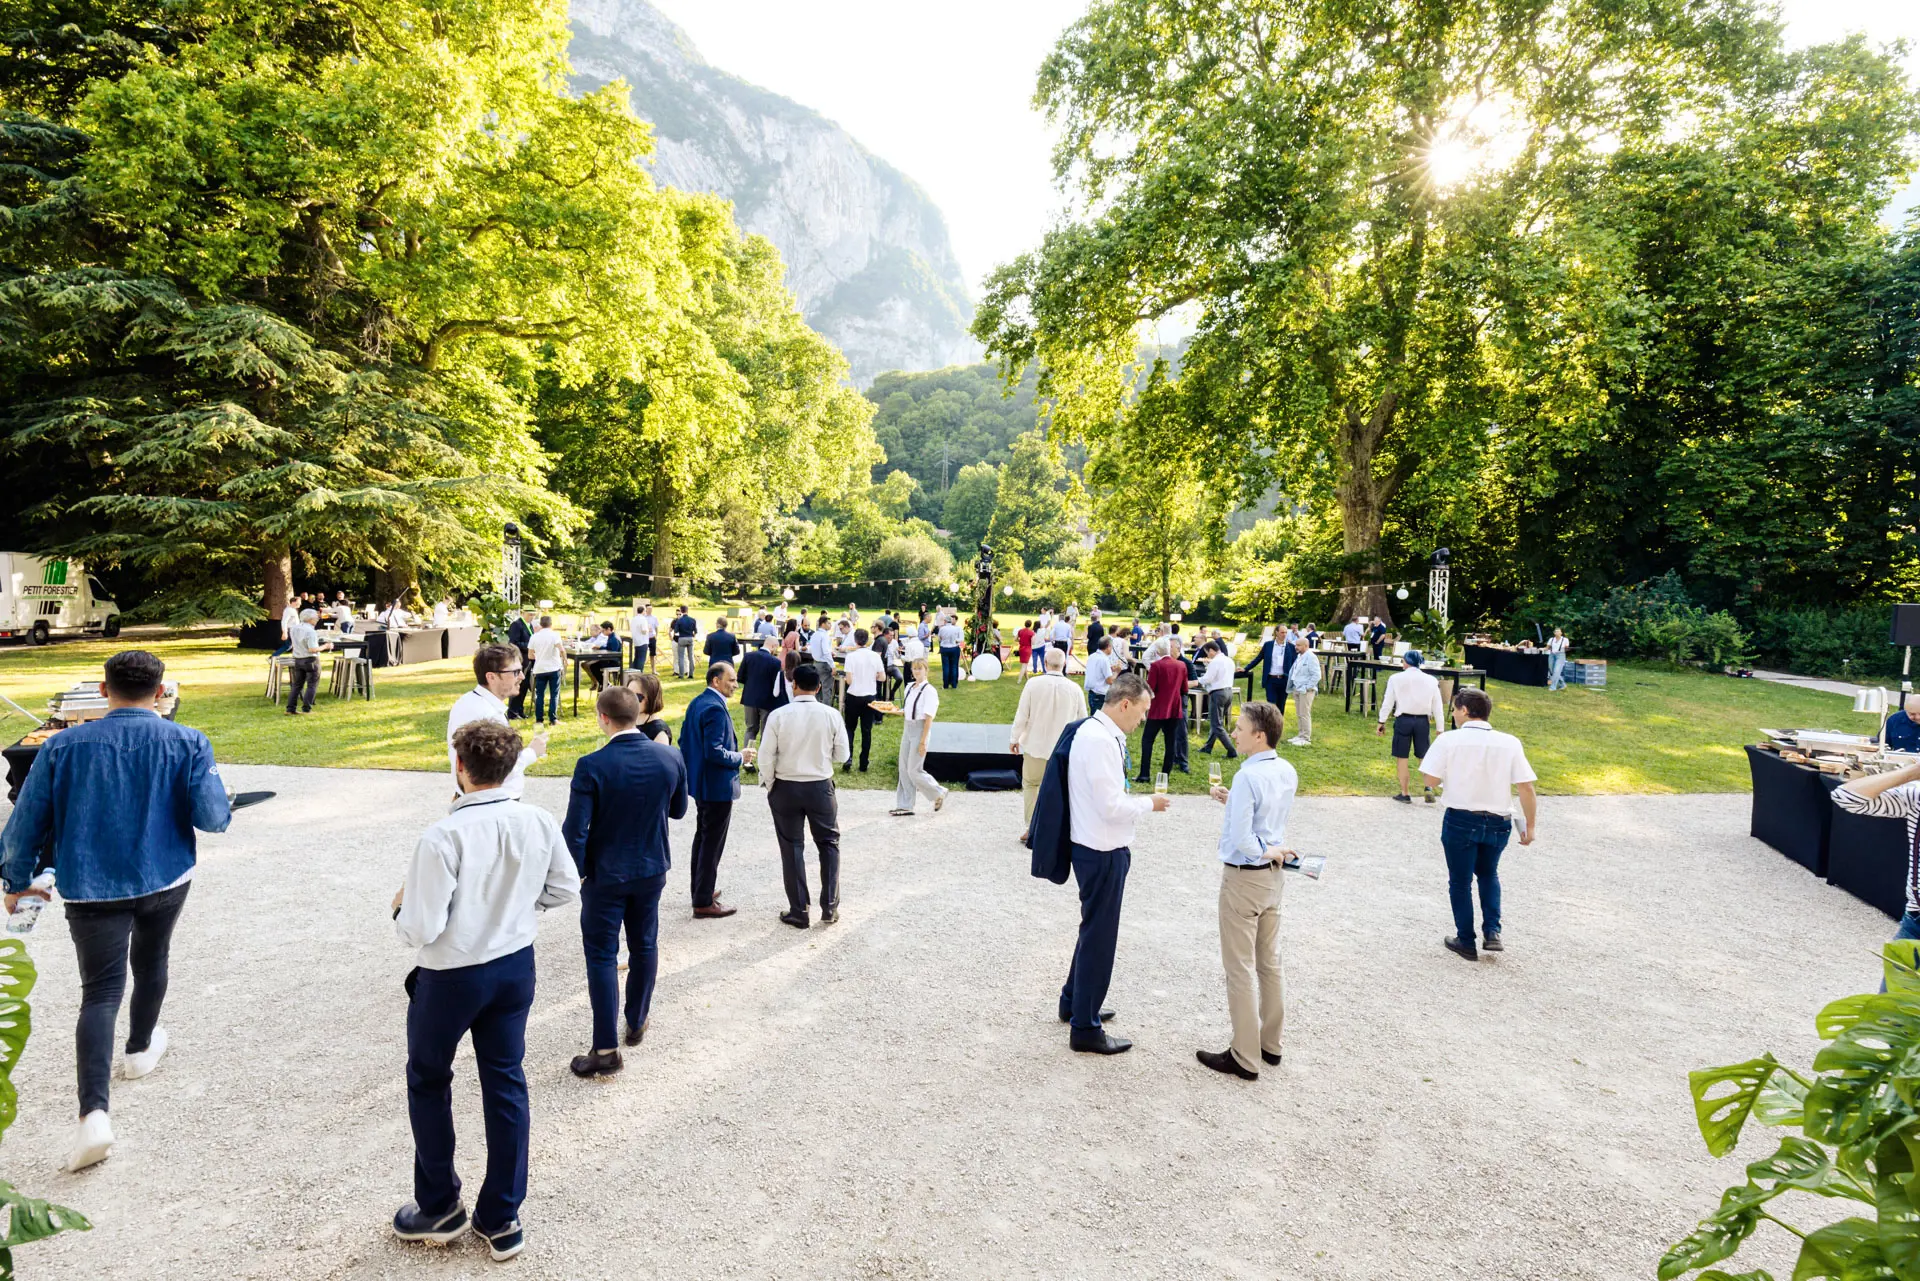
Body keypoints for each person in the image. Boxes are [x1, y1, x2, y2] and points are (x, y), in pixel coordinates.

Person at [0, 650, 229, 1172]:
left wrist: (16, 881)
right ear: (161, 692)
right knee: (152, 961)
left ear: (103, 691)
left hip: (90, 887)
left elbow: (24, 825)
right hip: (165, 876)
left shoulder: (60, 745)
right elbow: (213, 818)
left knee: (100, 993)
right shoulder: (189, 740)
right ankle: (140, 1050)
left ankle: (93, 1116)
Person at [391, 720, 580, 1261]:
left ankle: (439, 1204)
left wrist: (399, 909)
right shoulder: (537, 819)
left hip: (452, 973)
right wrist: (518, 907)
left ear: (460, 767)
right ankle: (502, 1213)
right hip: (514, 963)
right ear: (510, 767)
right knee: (505, 1079)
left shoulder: (442, 836)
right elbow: (565, 887)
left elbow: (421, 927)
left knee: (429, 1078)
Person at [1037, 672, 1170, 1054]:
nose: (1143, 719)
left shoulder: (1094, 732)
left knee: (1092, 929)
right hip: (1102, 849)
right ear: (1125, 703)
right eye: (1142, 711)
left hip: (1094, 845)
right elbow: (1111, 806)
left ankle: (1073, 1003)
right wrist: (1149, 803)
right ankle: (1085, 1027)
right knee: (1100, 938)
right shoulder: (1098, 741)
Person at [562, 686, 690, 1078]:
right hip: (651, 867)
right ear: (637, 714)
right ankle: (636, 1019)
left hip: (605, 874)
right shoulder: (670, 756)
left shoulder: (592, 765)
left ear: (603, 718)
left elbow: (575, 831)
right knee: (644, 943)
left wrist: (575, 872)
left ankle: (606, 1048)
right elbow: (679, 810)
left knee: (602, 955)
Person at [1196, 701, 1297, 1080]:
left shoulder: (1247, 776)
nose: (1233, 733)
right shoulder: (1286, 770)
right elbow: (1264, 816)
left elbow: (1243, 838)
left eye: (1239, 728)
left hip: (1245, 877)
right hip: (1273, 879)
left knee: (1239, 967)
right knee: (1270, 962)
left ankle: (1244, 1056)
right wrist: (1232, 801)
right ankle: (1271, 1044)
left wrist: (1264, 849)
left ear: (1259, 735)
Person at [1419, 687, 1538, 961]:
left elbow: (1430, 780)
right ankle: (1492, 931)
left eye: (1455, 709)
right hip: (1498, 819)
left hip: (1462, 817)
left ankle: (1465, 939)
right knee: (1488, 874)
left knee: (1460, 881)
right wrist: (1530, 826)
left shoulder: (1449, 740)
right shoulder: (1510, 742)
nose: (1454, 714)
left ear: (1464, 710)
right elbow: (1526, 787)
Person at [758, 663, 848, 928]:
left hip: (786, 785)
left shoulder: (778, 715)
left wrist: (771, 783)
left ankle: (799, 909)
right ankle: (829, 906)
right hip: (819, 785)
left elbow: (766, 755)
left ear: (793, 685)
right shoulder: (831, 714)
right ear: (819, 687)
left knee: (791, 847)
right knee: (828, 844)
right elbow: (842, 755)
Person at [1835, 758, 1920, 974]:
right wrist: (1912, 772)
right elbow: (1846, 797)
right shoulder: (1916, 797)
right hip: (1916, 924)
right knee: (1895, 997)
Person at [682, 662, 750, 920]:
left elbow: (686, 741)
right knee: (711, 843)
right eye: (731, 680)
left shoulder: (697, 702)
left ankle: (701, 889)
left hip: (702, 783)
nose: (735, 685)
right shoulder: (714, 708)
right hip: (716, 786)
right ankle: (702, 901)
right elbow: (715, 751)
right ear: (716, 681)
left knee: (703, 838)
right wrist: (740, 757)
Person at [448, 645, 550, 800]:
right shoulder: (487, 716)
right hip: (492, 802)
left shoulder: (468, 701)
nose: (522, 676)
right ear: (491, 677)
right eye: (515, 672)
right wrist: (532, 752)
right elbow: (498, 768)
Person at [1011, 647, 1089, 823]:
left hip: (1035, 745)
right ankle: (1055, 828)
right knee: (1061, 789)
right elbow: (1082, 720)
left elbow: (1022, 715)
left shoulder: (1033, 684)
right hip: (1062, 749)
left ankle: (1031, 825)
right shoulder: (1075, 688)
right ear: (1064, 664)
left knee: (1031, 785)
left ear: (1045, 663)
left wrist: (1014, 738)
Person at [1377, 650, 1444, 803]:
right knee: (1423, 756)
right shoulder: (1431, 680)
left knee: (1402, 758)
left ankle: (1405, 793)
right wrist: (1440, 728)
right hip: (1422, 721)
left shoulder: (1395, 678)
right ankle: (1428, 787)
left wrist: (1382, 721)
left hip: (1403, 720)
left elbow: (1388, 702)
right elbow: (1437, 705)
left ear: (1406, 662)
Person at [889, 658, 948, 817]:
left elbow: (928, 718)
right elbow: (908, 710)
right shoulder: (909, 687)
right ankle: (905, 805)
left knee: (913, 769)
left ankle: (938, 791)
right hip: (907, 728)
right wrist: (895, 711)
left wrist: (922, 741)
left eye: (919, 668)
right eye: (914, 668)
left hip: (920, 729)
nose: (916, 671)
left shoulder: (929, 691)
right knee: (903, 768)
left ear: (926, 670)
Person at [1139, 640, 1191, 782]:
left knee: (1147, 740)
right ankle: (1165, 774)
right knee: (1170, 742)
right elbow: (1184, 689)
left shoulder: (1156, 666)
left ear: (1157, 651)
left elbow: (1150, 689)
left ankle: (1144, 774)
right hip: (1174, 708)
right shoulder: (1181, 665)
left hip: (1157, 709)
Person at [842, 627, 884, 773]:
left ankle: (848, 758)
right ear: (868, 640)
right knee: (867, 731)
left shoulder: (851, 657)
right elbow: (882, 677)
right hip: (869, 696)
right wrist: (873, 676)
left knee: (850, 728)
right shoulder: (875, 656)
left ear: (855, 640)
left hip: (854, 695)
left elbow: (849, 680)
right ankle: (863, 762)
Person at [284, 606, 332, 715]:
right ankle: (306, 709)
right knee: (312, 684)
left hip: (298, 659)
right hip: (310, 660)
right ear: (310, 619)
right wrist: (326, 646)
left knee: (297, 685)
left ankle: (290, 709)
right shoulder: (310, 631)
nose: (317, 619)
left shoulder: (294, 628)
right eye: (316, 618)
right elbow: (312, 649)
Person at [1197, 641, 1237, 757]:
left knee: (1216, 724)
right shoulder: (1229, 660)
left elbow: (1208, 678)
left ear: (1211, 650)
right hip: (1228, 692)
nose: (1207, 655)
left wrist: (1197, 680)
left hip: (1218, 693)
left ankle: (1231, 751)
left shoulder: (1215, 661)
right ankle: (1208, 747)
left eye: (1207, 653)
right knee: (1217, 722)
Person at [738, 640, 783, 741]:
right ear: (773, 646)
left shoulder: (748, 656)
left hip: (749, 698)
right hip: (767, 700)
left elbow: (740, 677)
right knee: (766, 731)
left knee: (750, 729)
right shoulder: (775, 662)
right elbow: (776, 684)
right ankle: (763, 751)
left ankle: (747, 751)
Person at [528, 614, 564, 726]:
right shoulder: (555, 635)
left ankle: (539, 719)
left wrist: (539, 656)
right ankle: (553, 719)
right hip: (553, 667)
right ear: (551, 624)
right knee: (554, 694)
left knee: (540, 695)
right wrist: (565, 659)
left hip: (540, 668)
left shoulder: (534, 637)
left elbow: (530, 655)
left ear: (540, 624)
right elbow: (561, 649)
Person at [1286, 635, 1321, 747]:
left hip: (1306, 690)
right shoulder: (1299, 656)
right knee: (1299, 713)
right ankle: (1300, 735)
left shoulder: (1311, 657)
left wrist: (1307, 687)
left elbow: (1317, 675)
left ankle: (1306, 738)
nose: (1296, 647)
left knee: (1304, 713)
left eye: (1298, 645)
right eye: (1296, 645)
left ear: (1306, 646)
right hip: (1297, 688)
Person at [623, 670, 673, 745]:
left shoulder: (659, 734)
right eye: (628, 694)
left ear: (651, 698)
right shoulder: (628, 723)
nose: (630, 700)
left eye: (637, 697)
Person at [505, 607, 536, 719]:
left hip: (528, 659)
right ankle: (512, 712)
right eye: (529, 614)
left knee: (525, 686)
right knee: (518, 684)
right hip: (520, 659)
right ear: (523, 613)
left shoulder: (530, 625)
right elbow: (513, 643)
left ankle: (520, 710)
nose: (531, 617)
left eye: (533, 615)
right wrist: (529, 646)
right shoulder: (516, 625)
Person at [1084, 635, 1117, 715]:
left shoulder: (1092, 656)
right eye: (1111, 647)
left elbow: (1096, 670)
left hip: (1092, 692)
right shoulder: (1104, 659)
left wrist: (1110, 668)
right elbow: (1109, 681)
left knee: (1094, 715)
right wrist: (1117, 672)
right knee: (1100, 717)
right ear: (1108, 647)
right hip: (1100, 694)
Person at [585, 621, 623, 688]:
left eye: (603, 631)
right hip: (610, 659)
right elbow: (608, 648)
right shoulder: (611, 637)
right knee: (593, 665)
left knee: (593, 666)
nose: (602, 633)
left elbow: (613, 652)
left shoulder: (614, 639)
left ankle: (605, 684)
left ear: (608, 629)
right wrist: (600, 647)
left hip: (613, 661)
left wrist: (601, 652)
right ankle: (604, 683)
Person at [670, 605, 698, 679]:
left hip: (682, 638)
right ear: (687, 611)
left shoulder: (679, 620)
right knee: (691, 657)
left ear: (681, 611)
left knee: (681, 657)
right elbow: (695, 631)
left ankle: (681, 674)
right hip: (690, 638)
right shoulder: (692, 620)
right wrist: (693, 636)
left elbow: (676, 631)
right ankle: (691, 674)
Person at [937, 614, 965, 689]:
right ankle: (954, 684)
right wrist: (955, 641)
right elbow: (961, 639)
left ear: (945, 621)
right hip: (954, 647)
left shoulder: (942, 629)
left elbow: (939, 638)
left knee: (946, 666)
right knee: (954, 666)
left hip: (945, 648)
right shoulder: (956, 629)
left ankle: (946, 684)